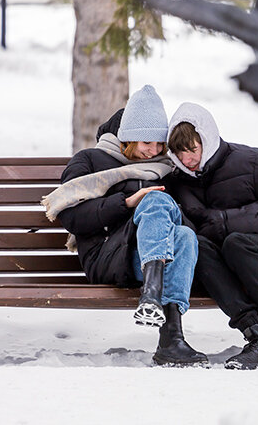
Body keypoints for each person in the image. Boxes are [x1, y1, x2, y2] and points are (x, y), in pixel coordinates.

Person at [42, 86, 208, 367]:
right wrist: (127, 203)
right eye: (146, 143)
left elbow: (193, 217)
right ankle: (154, 298)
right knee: (154, 200)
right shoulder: (90, 161)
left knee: (185, 235)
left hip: (153, 258)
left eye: (159, 144)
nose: (153, 151)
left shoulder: (168, 167)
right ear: (128, 137)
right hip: (108, 258)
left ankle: (171, 337)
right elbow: (72, 218)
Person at [166, 102, 258, 370]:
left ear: (207, 139)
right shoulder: (179, 182)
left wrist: (237, 221)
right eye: (180, 153)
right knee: (196, 245)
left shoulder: (254, 162)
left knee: (237, 241)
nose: (188, 159)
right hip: (226, 269)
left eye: (193, 149)